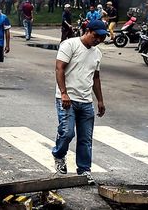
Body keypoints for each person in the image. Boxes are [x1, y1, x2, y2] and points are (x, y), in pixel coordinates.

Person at [52, 20, 106, 183]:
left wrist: (100, 100)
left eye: (101, 38)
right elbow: (59, 68)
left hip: (86, 101)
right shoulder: (70, 45)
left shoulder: (97, 53)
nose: (98, 40)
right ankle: (59, 155)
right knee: (67, 132)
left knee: (85, 138)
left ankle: (84, 170)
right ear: (88, 31)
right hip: (67, 98)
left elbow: (96, 77)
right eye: (96, 36)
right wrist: (64, 93)